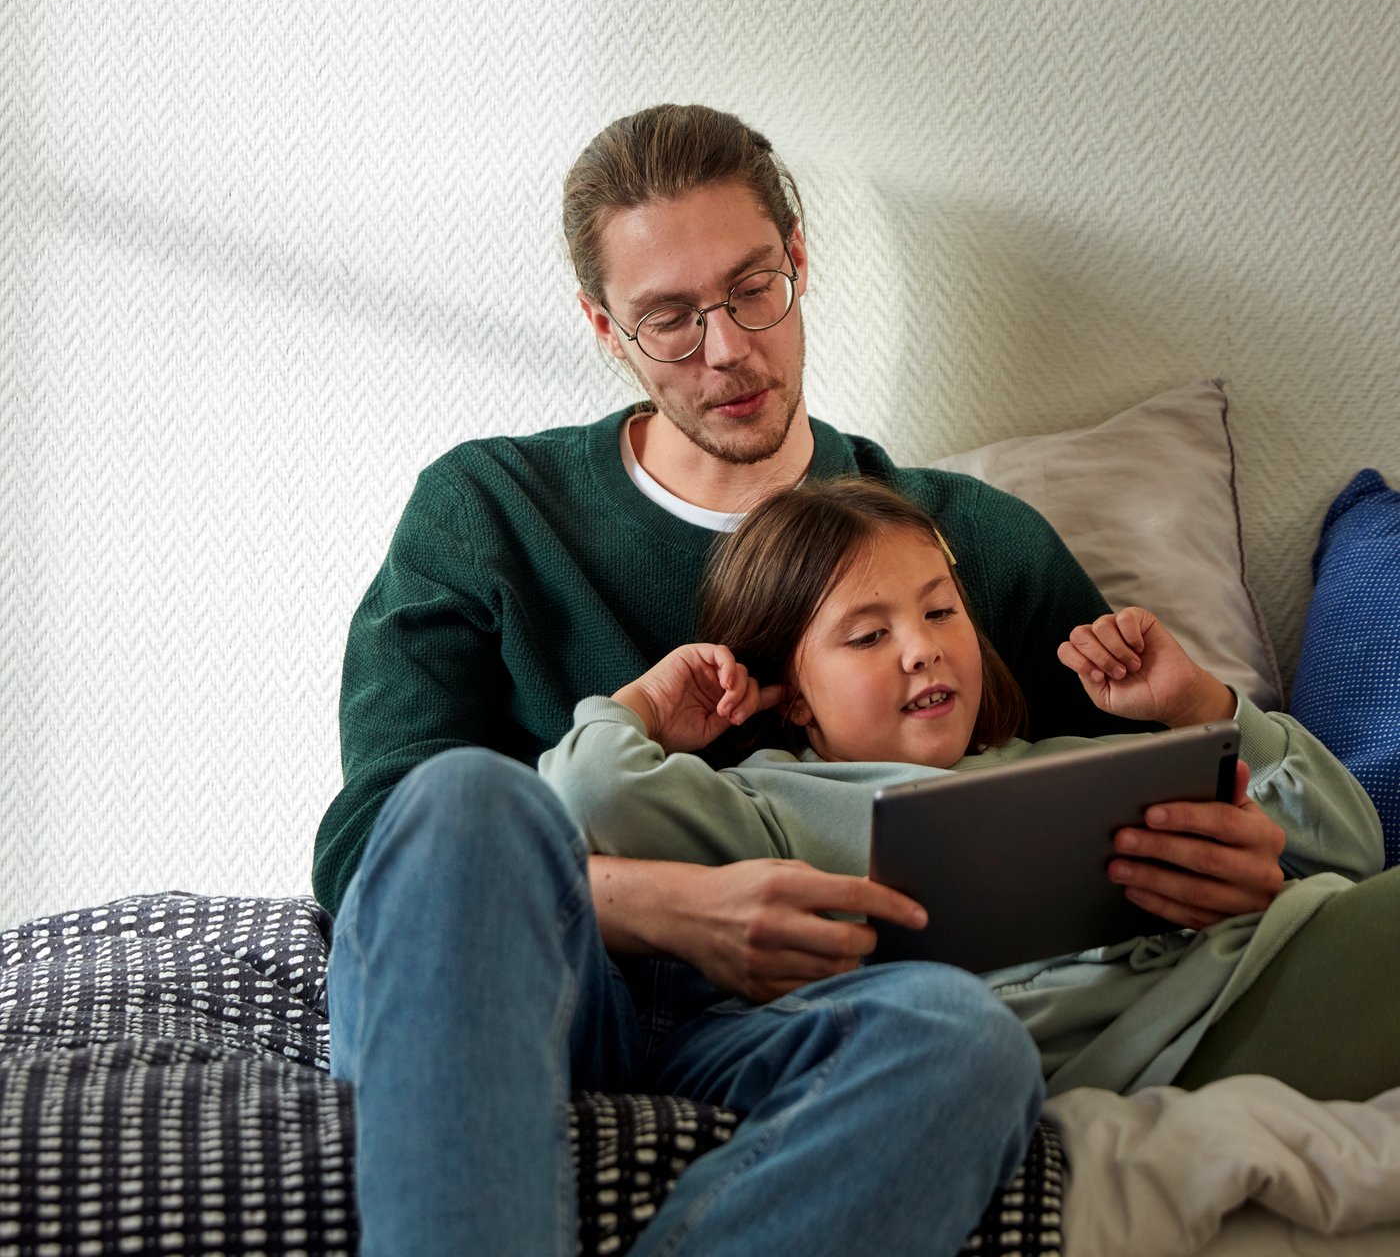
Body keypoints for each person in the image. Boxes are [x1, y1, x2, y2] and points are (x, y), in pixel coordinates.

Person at [315, 104, 1291, 1254]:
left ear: (799, 263)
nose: (726, 349)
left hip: (823, 1009)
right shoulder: (486, 511)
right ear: (601, 327)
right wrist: (667, 903)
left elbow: (1144, 782)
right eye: (669, 320)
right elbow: (381, 846)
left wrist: (1233, 855)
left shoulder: (963, 542)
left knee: (961, 1039)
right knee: (472, 796)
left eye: (752, 290)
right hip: (547, 977)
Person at [541, 476, 1390, 1099]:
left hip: (1272, 948)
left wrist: (1199, 704)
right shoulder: (769, 807)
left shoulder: (1067, 765)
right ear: (792, 693)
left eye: (941, 612)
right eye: (869, 635)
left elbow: (1353, 847)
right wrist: (644, 704)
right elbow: (593, 794)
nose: (923, 648)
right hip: (1179, 1037)